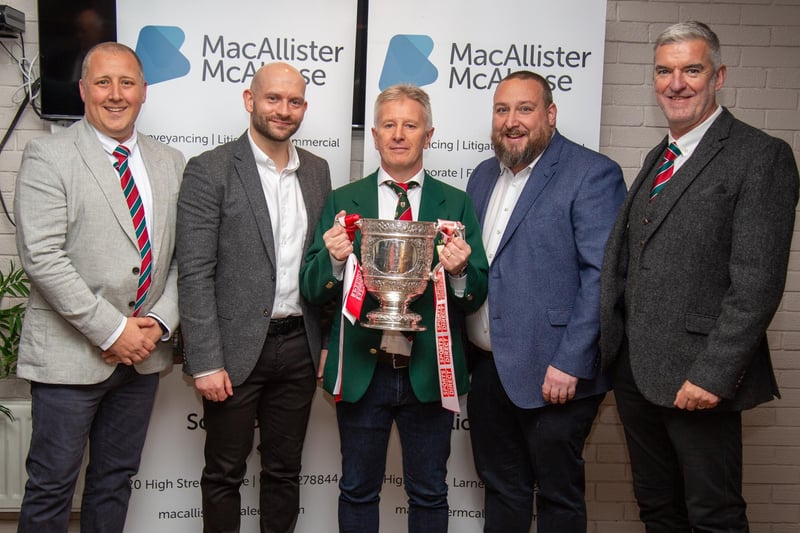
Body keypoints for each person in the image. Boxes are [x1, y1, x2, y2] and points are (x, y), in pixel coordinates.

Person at [600, 21, 799, 532]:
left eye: (692, 69)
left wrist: (712, 376)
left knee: (714, 515)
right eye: (665, 71)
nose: (677, 83)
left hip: (698, 378)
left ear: (719, 76)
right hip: (637, 374)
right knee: (659, 509)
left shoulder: (761, 156)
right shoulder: (660, 156)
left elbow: (757, 284)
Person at [300, 84, 488, 533]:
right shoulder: (345, 200)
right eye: (389, 125)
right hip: (365, 370)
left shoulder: (456, 202)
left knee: (430, 493)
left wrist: (460, 272)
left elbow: (476, 294)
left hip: (430, 371)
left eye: (410, 125)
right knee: (358, 490)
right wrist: (333, 259)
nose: (399, 134)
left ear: (429, 134)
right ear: (375, 134)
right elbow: (311, 287)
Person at [14, 42, 185, 532]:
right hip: (70, 358)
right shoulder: (49, 155)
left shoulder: (171, 162)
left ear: (144, 92)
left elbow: (183, 258)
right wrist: (114, 332)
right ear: (84, 89)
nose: (116, 95)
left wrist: (154, 324)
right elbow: (42, 257)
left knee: (114, 480)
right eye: (104, 83)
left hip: (144, 356)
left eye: (127, 83)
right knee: (51, 487)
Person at [465, 70, 625, 532]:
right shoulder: (481, 177)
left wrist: (571, 362)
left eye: (524, 108)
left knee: (558, 498)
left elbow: (602, 276)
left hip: (556, 373)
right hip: (489, 369)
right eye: (501, 110)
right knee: (502, 490)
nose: (511, 121)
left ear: (550, 114)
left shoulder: (591, 173)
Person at [176, 62, 331, 533]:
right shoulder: (211, 169)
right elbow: (195, 272)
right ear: (250, 100)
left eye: (295, 101)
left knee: (284, 471)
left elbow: (321, 269)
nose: (284, 110)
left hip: (299, 348)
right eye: (273, 99)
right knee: (224, 473)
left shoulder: (318, 172)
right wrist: (204, 361)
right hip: (234, 350)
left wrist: (325, 343)